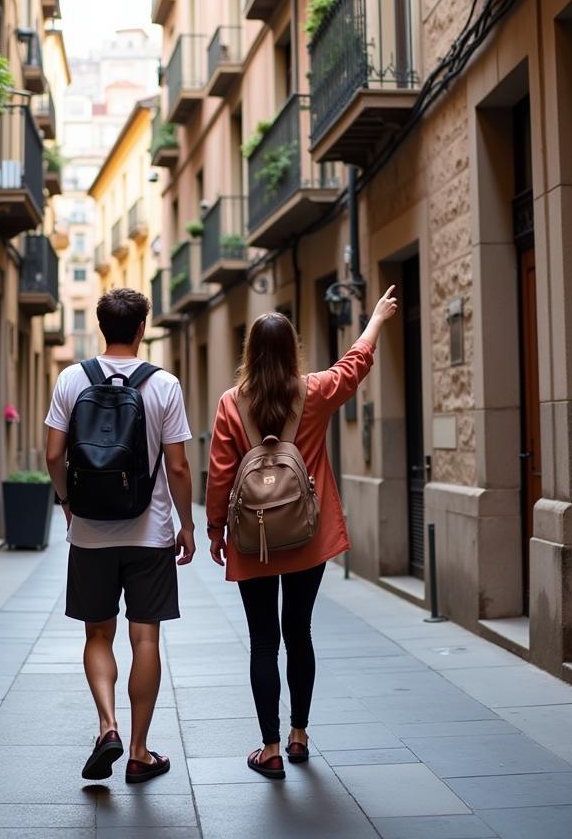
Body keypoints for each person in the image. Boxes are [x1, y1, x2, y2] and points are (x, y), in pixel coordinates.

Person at [205, 287, 399, 779]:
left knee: (262, 643)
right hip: (308, 538)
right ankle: (298, 736)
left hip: (253, 542)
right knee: (300, 633)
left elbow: (221, 474)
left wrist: (213, 531)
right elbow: (355, 364)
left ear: (249, 352)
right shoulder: (314, 392)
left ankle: (268, 748)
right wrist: (375, 318)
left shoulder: (232, 403)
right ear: (293, 350)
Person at [45, 287, 196, 785]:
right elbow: (176, 465)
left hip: (90, 533)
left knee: (97, 634)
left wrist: (68, 503)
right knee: (145, 635)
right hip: (149, 533)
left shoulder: (71, 379)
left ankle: (107, 725)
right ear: (141, 328)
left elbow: (51, 455)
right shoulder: (164, 385)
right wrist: (187, 524)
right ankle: (138, 750)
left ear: (101, 325)